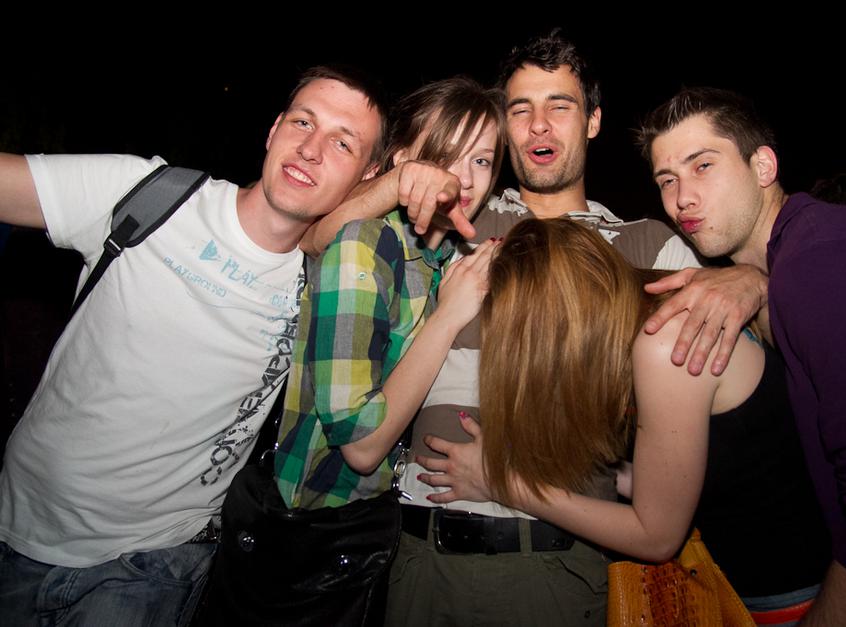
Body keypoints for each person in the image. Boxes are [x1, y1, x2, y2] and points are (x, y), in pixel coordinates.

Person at [0, 65, 457, 626]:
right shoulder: (150, 195)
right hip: (13, 528)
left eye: (343, 143)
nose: (311, 149)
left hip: (154, 564)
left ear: (367, 174)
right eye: (303, 122)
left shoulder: (327, 281)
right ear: (273, 130)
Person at [385, 31, 765, 627]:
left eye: (559, 106)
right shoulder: (457, 222)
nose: (538, 125)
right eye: (520, 109)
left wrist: (753, 281)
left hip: (552, 575)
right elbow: (319, 240)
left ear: (592, 121)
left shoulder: (651, 247)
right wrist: (397, 182)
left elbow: (762, 364)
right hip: (419, 563)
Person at [420, 217, 831, 624]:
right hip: (760, 576)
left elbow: (655, 536)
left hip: (783, 594)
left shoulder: (665, 344)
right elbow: (684, 477)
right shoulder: (655, 308)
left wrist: (503, 484)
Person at [635, 86, 846, 625]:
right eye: (667, 180)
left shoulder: (827, 262)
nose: (682, 197)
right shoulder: (802, 255)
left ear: (763, 166)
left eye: (702, 165)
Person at [274, 76, 506, 511]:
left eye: (481, 160)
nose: (462, 178)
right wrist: (448, 317)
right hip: (321, 520)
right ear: (402, 161)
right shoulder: (364, 245)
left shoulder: (446, 259)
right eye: (444, 152)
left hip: (388, 520)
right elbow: (361, 448)